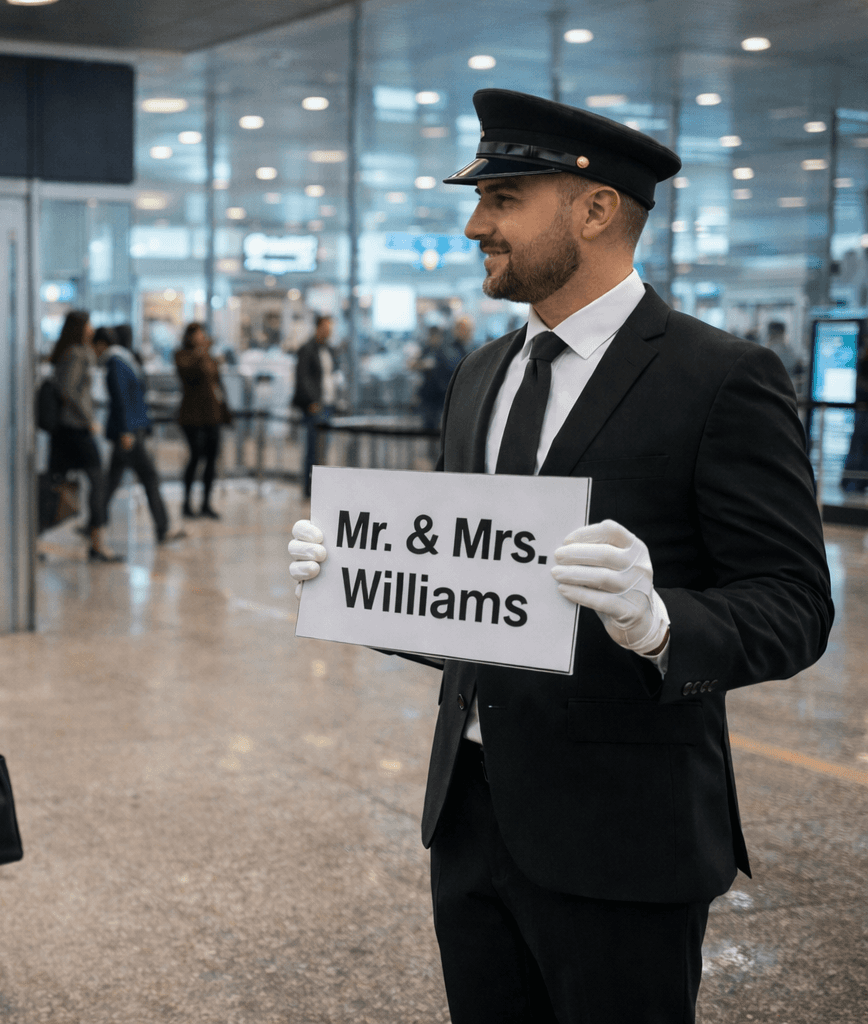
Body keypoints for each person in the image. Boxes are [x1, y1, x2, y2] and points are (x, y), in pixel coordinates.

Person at [286, 89, 833, 1024]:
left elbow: (794, 604)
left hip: (624, 837)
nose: (474, 225)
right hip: (469, 821)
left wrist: (661, 624)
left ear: (593, 208)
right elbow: (476, 598)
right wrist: (366, 582)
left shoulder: (721, 379)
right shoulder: (481, 375)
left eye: (502, 199)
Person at [100, 323, 182, 545]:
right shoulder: (120, 362)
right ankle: (162, 527)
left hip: (131, 429)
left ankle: (94, 523)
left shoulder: (121, 361)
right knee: (146, 477)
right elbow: (121, 398)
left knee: (113, 481)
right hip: (129, 432)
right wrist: (127, 430)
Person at [48, 311, 118, 561]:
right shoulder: (77, 354)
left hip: (67, 430)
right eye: (88, 324)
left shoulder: (68, 353)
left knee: (57, 483)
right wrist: (88, 420)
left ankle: (94, 539)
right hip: (76, 430)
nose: (92, 329)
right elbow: (68, 390)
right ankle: (97, 543)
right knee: (97, 482)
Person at [173, 321, 232, 518]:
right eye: (198, 334)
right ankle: (187, 502)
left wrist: (225, 412)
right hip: (192, 416)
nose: (202, 337)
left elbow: (217, 384)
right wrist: (200, 353)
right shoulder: (183, 355)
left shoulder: (210, 358)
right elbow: (187, 376)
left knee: (211, 459)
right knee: (196, 456)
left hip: (212, 415)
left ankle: (206, 502)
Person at [292, 314, 337, 497]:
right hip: (315, 406)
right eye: (326, 328)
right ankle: (309, 489)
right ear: (318, 328)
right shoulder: (307, 349)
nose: (328, 332)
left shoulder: (329, 350)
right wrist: (312, 401)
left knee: (323, 449)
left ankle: (320, 488)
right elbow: (302, 378)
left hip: (328, 403)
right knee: (312, 450)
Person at [412, 325, 464, 431]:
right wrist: (423, 364)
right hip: (428, 396)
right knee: (428, 427)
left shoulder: (446, 351)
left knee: (441, 427)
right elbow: (413, 365)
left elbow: (449, 368)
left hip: (441, 395)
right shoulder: (427, 349)